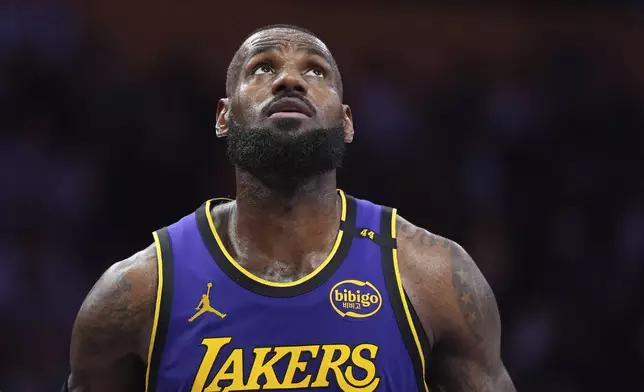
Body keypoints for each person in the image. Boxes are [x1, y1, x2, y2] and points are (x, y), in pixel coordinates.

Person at [63, 24, 516, 392]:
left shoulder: (433, 276)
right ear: (224, 116)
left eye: (316, 71)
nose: (290, 79)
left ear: (346, 121)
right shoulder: (137, 293)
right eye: (261, 68)